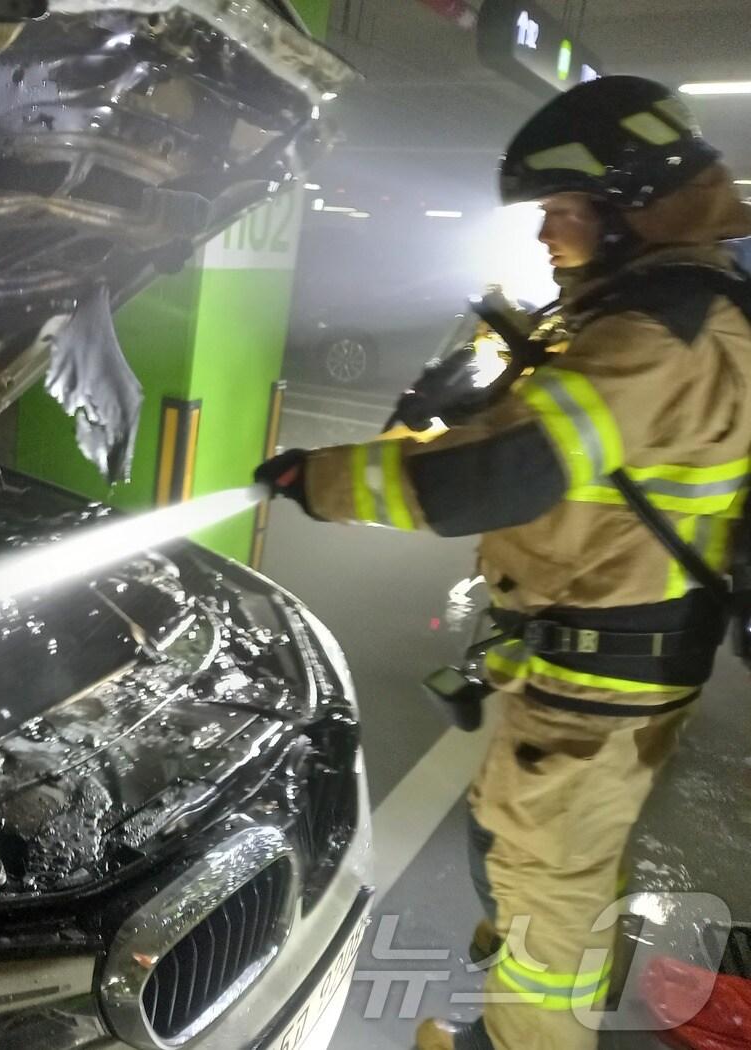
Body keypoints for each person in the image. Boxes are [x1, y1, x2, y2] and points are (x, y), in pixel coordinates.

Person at [256, 76, 751, 1050]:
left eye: (561, 211)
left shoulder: (659, 334)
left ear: (628, 207)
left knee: (544, 902)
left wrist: (318, 479)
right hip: (594, 661)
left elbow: (498, 474)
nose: (543, 235)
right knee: (529, 865)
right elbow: (565, 448)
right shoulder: (657, 310)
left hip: (600, 676)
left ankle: (523, 1038)